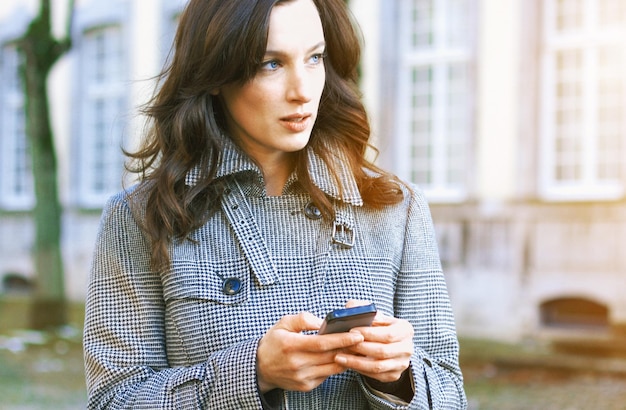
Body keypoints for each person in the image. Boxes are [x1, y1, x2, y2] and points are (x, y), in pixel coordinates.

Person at [83, 0, 467, 408]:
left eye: (315, 58)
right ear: (215, 71)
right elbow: (113, 400)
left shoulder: (396, 208)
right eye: (271, 63)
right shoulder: (140, 218)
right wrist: (254, 374)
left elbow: (451, 396)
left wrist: (398, 375)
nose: (301, 90)